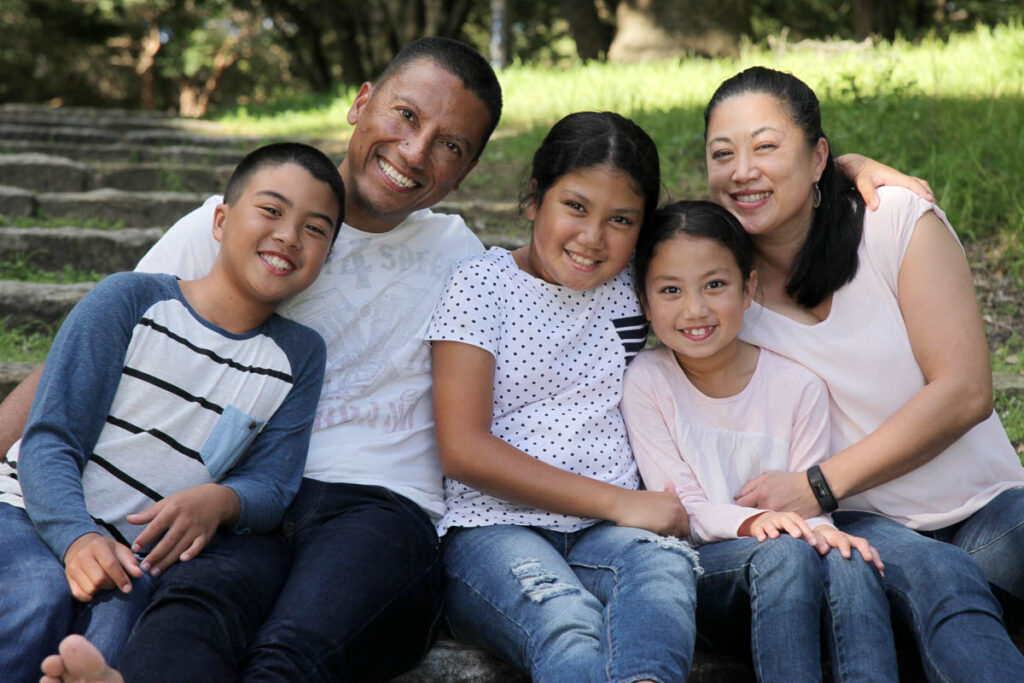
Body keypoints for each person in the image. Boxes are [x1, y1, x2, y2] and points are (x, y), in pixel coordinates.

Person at [702, 65, 1024, 680]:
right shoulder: (716, 293)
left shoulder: (894, 222)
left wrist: (818, 482)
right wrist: (822, 497)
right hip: (861, 530)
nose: (742, 170)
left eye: (766, 147)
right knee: (942, 579)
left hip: (989, 510)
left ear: (817, 156)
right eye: (723, 154)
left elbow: (964, 391)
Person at [0, 142, 341, 682]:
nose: (289, 236)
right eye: (271, 210)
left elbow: (273, 485)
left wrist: (224, 500)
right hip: (28, 512)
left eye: (316, 229)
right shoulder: (130, 301)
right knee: (38, 595)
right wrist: (77, 536)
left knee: (117, 635)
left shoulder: (299, 357)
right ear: (222, 221)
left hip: (132, 559)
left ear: (328, 256)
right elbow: (50, 440)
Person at [428, 111, 700, 683]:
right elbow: (463, 449)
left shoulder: (635, 290)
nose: (592, 237)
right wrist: (621, 503)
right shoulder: (481, 285)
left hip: (607, 536)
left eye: (621, 219)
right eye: (575, 206)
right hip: (494, 530)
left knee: (663, 569)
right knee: (568, 619)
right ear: (534, 200)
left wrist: (846, 169)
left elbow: (741, 256)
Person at [621, 200, 896, 682]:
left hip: (790, 563)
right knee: (786, 552)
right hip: (705, 574)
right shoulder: (648, 381)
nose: (695, 309)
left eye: (715, 285)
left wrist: (826, 533)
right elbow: (685, 509)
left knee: (849, 559)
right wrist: (763, 522)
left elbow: (810, 508)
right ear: (644, 302)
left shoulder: (799, 386)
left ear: (748, 288)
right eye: (670, 290)